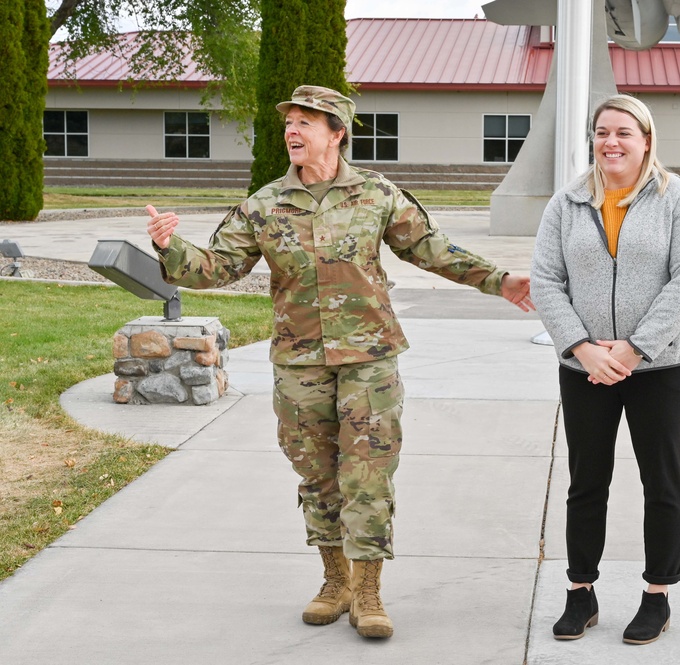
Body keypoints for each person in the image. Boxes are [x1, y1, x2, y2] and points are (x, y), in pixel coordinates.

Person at [145, 85, 534, 637]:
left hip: (368, 359)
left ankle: (369, 591)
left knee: (367, 474)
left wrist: (499, 280)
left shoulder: (376, 194)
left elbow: (433, 249)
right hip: (300, 361)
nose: (293, 131)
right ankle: (336, 580)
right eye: (289, 123)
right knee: (316, 474)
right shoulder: (265, 204)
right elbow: (216, 268)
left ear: (337, 132)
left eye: (307, 122)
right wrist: (171, 247)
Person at [531, 94, 680, 645]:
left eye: (624, 133)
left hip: (660, 367)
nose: (611, 142)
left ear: (647, 140)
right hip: (584, 367)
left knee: (661, 481)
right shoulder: (567, 203)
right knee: (586, 482)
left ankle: (657, 595)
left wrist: (633, 350)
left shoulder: (677, 198)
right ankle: (579, 592)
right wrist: (583, 348)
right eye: (603, 132)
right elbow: (545, 280)